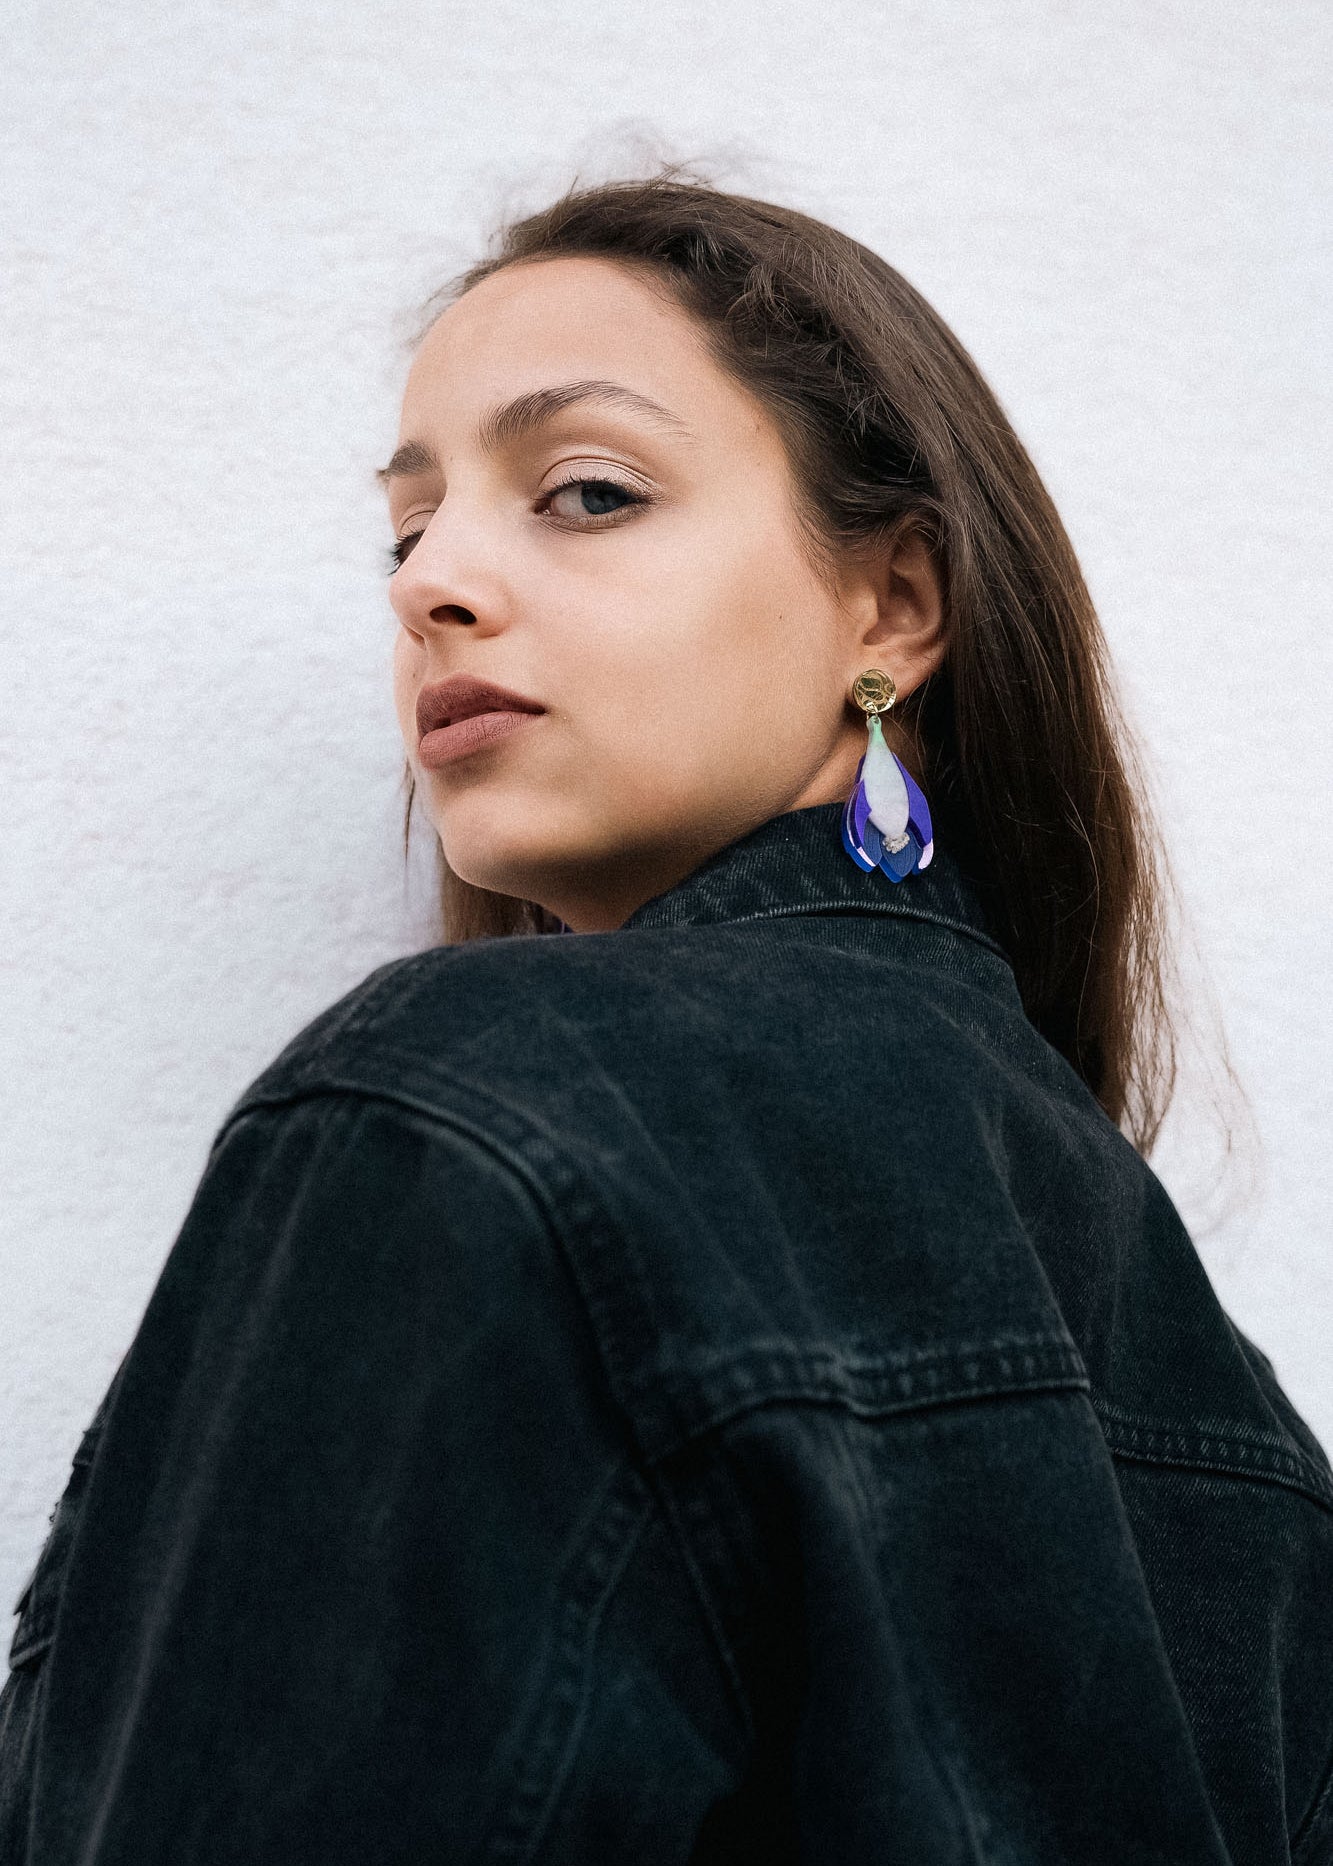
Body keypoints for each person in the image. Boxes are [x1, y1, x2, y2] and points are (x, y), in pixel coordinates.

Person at [3, 166, 1331, 1866]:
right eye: (405, 532)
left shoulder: (469, 1113)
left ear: (892, 604)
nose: (432, 583)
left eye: (587, 490)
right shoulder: (1235, 1413)